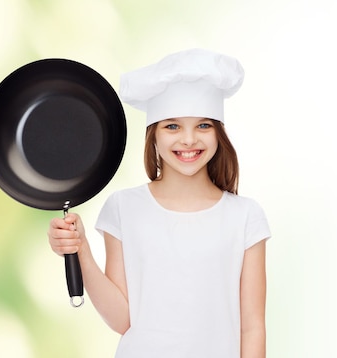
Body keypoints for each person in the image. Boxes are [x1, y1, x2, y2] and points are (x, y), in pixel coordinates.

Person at [47, 48, 271, 358]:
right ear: (153, 134)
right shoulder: (124, 208)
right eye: (173, 126)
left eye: (203, 125)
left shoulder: (245, 217)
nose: (189, 140)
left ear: (219, 133)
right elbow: (122, 319)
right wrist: (80, 249)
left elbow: (252, 328)